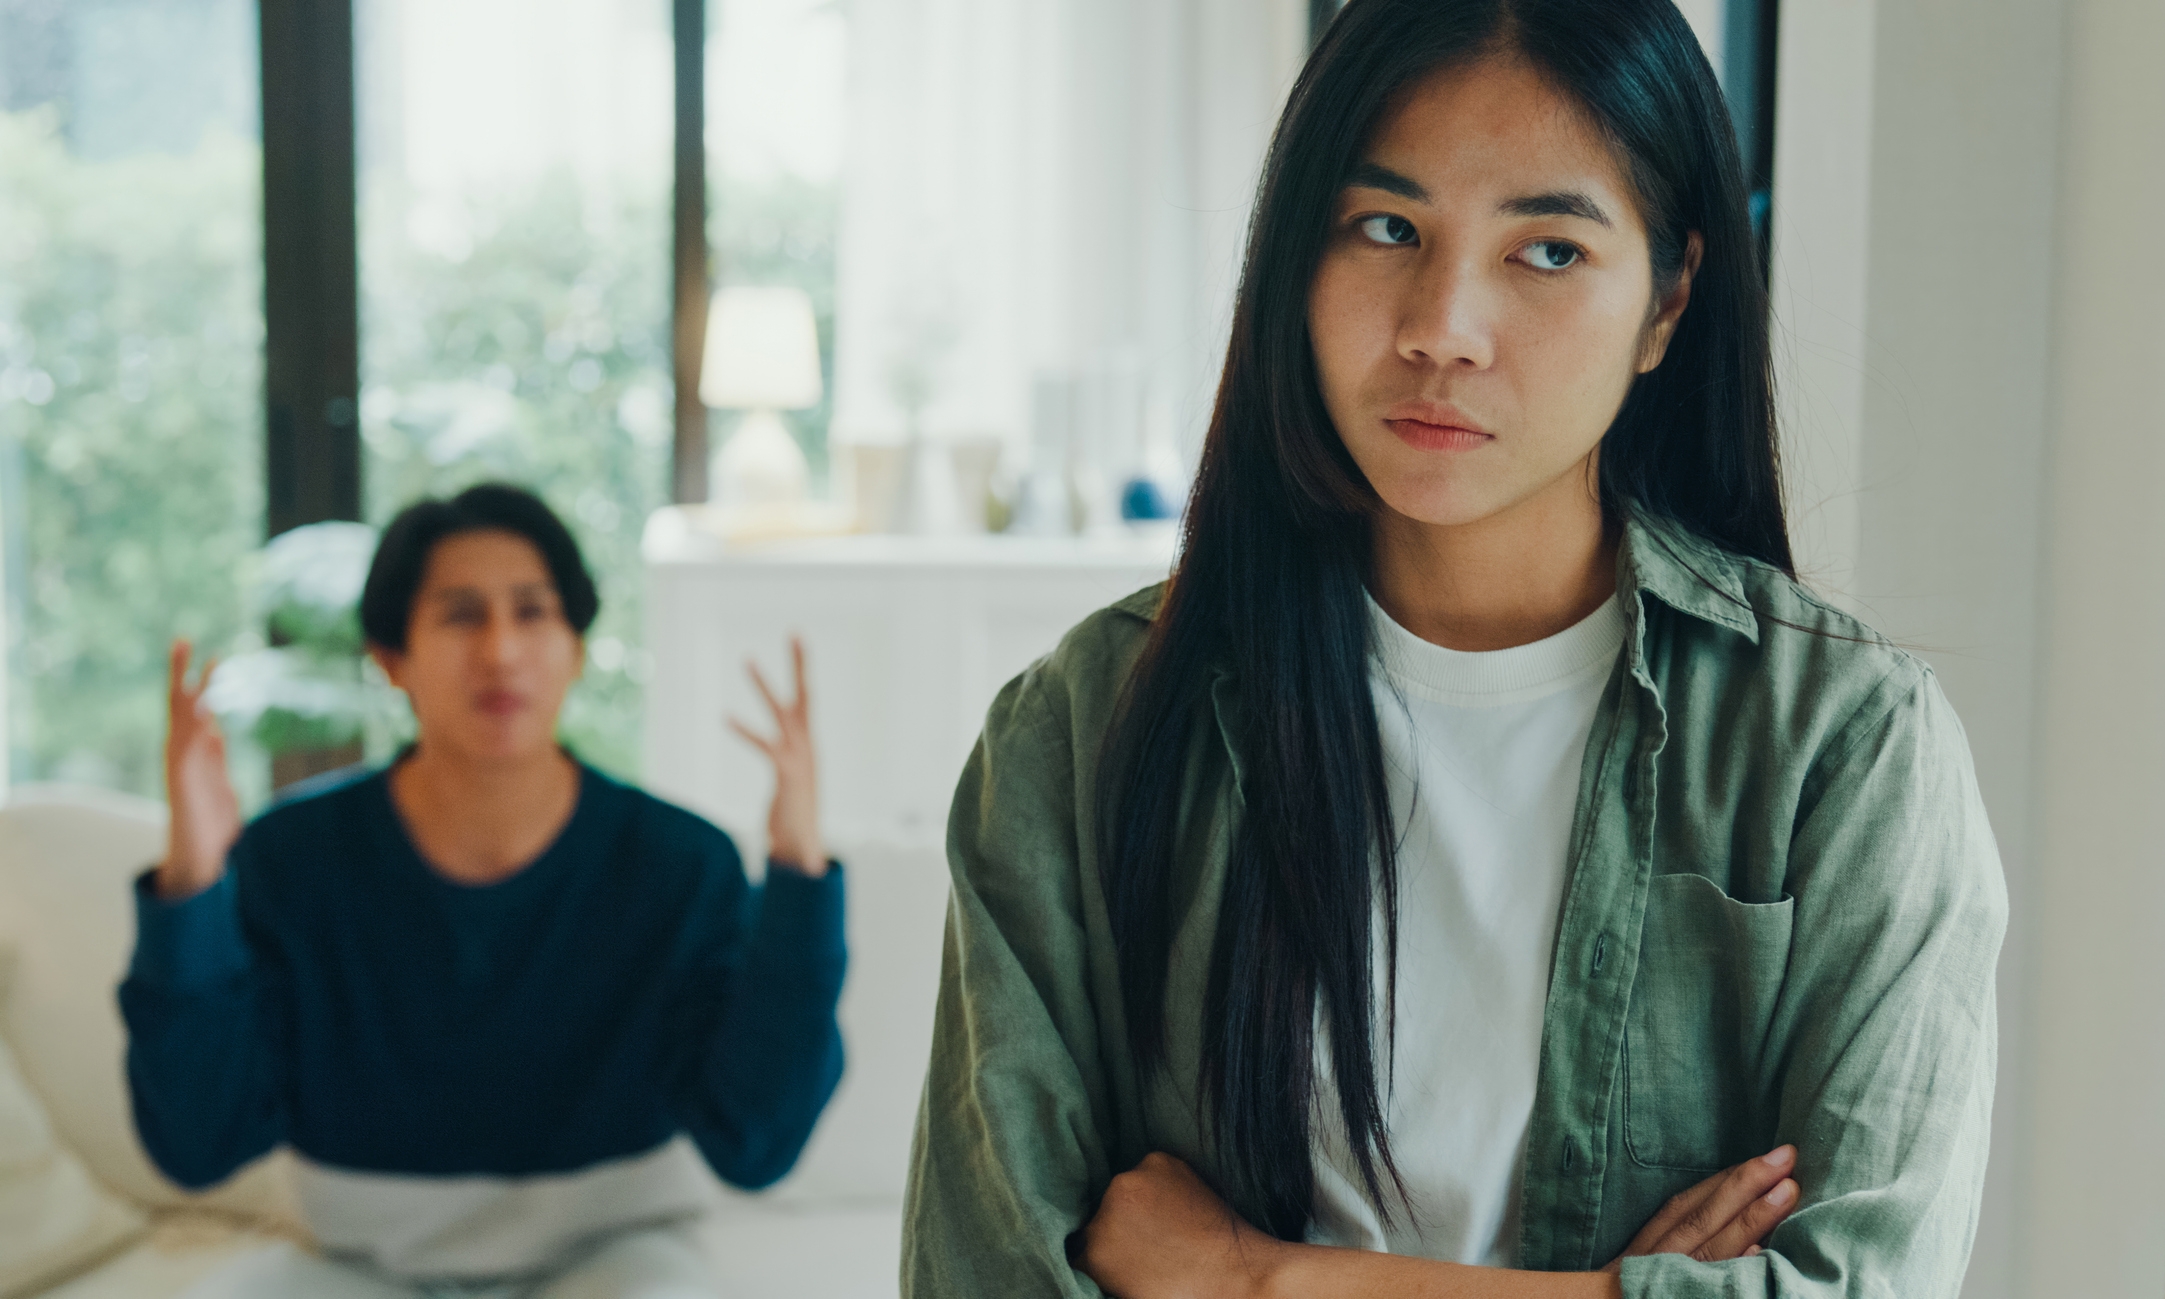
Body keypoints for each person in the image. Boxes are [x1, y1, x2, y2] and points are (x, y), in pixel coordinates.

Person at [902, 1, 2006, 1296]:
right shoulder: (1083, 726)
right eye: (1385, 228)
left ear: (1667, 302)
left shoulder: (1844, 744)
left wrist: (1256, 1277)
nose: (1442, 324)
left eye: (1545, 249)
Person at [121, 483, 844, 1297]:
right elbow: (196, 1143)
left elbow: (758, 1144)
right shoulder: (292, 857)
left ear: (574, 646)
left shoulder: (682, 863)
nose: (501, 650)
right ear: (391, 660)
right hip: (351, 1261)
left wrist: (798, 874)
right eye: (461, 615)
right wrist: (193, 887)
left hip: (615, 1255)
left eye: (533, 612)